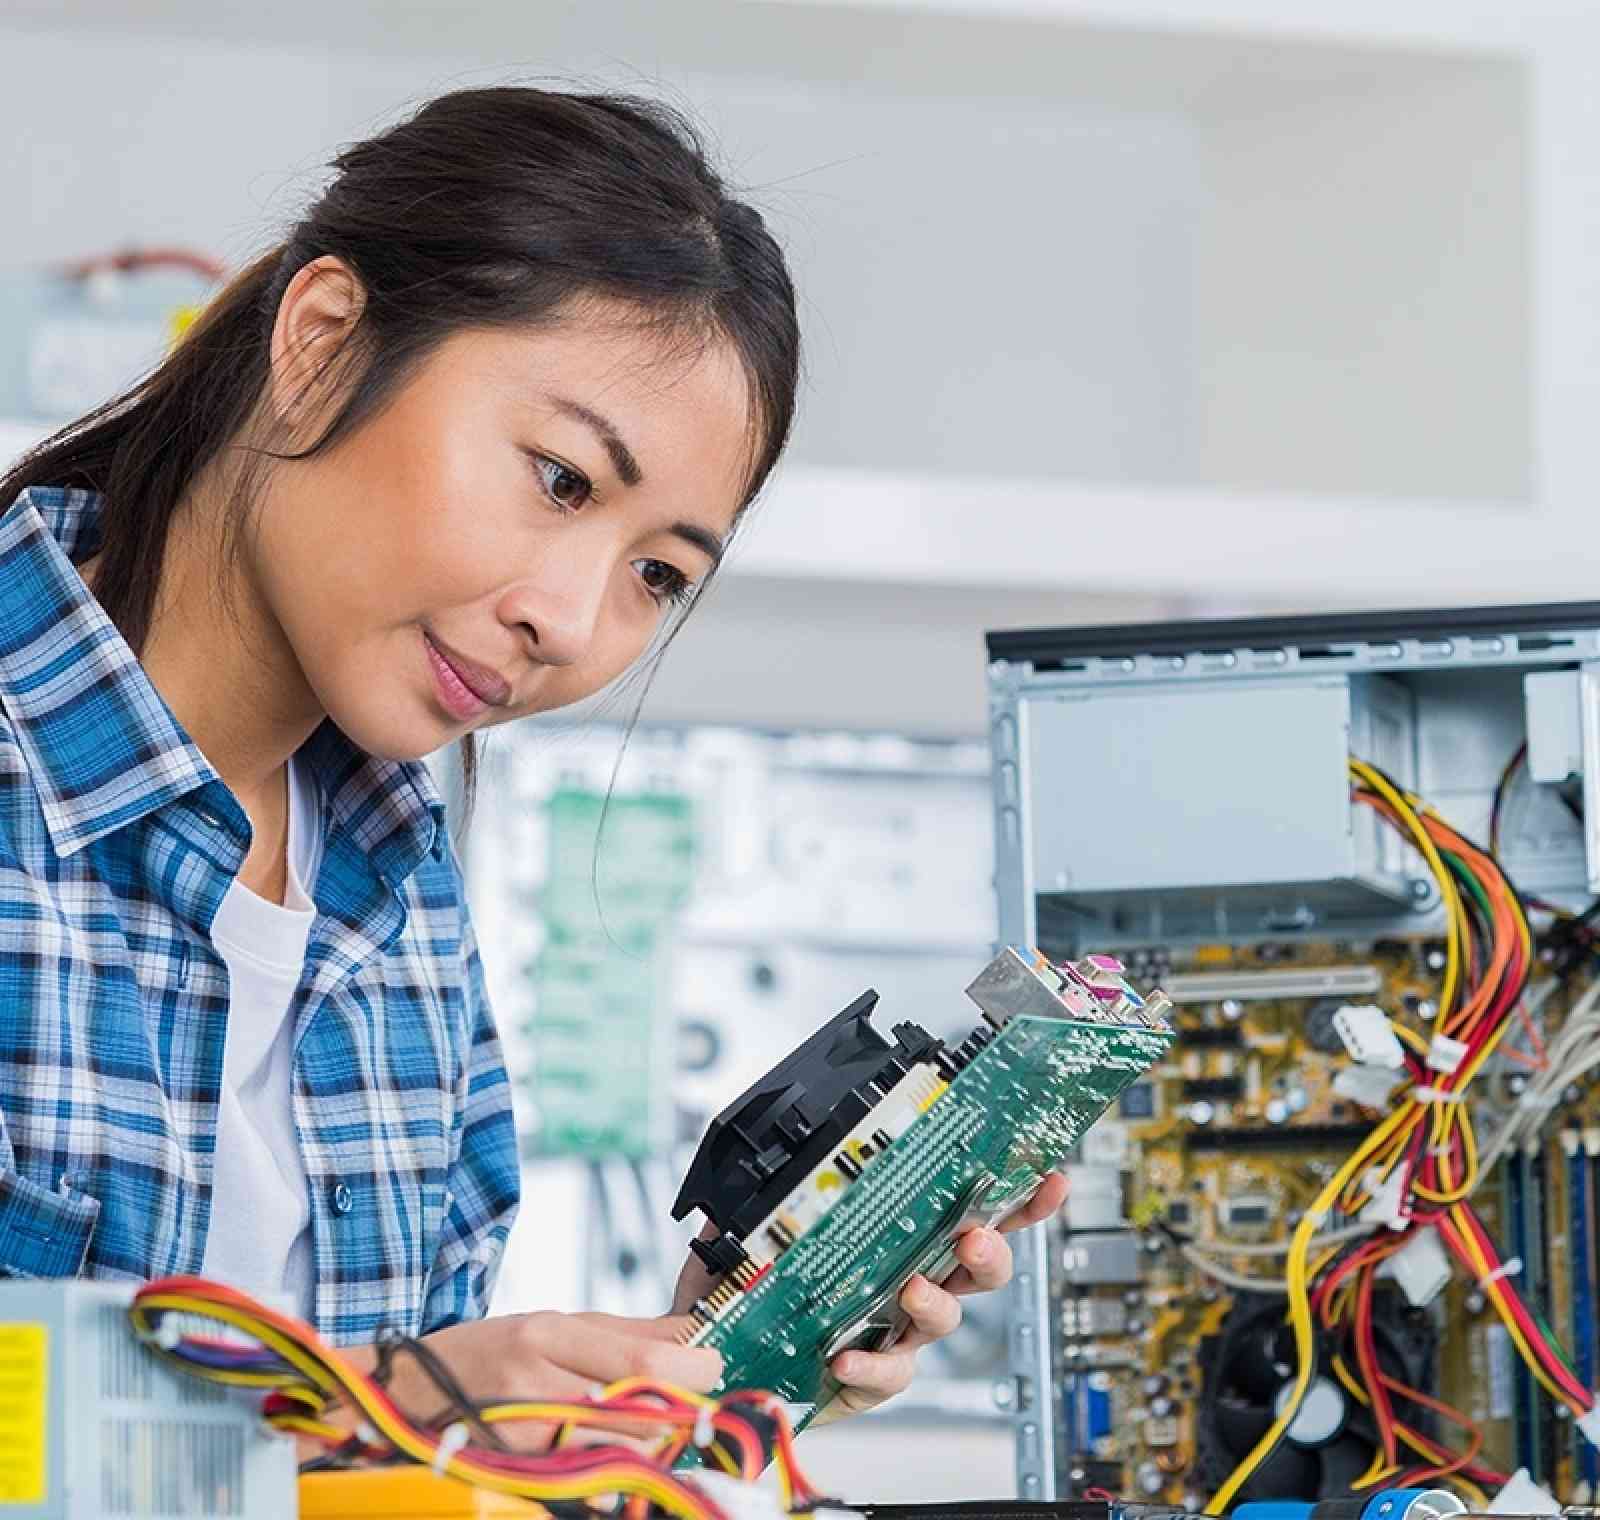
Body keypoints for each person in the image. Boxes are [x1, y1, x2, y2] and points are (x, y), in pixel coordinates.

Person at [0, 85, 1065, 1430]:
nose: (566, 621)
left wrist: (709, 1355)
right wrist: (392, 1401)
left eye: (658, 575)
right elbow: (376, 1420)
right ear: (323, 344)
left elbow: (401, 1470)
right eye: (562, 479)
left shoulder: (397, 900)